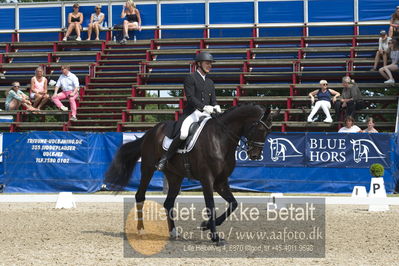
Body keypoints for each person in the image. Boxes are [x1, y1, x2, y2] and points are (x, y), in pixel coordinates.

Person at [155, 52, 221, 171]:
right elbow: (190, 98)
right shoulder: (190, 78)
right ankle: (165, 159)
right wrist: (204, 107)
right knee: (184, 133)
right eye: (207, 63)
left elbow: (213, 100)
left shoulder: (210, 82)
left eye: (211, 64)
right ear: (199, 64)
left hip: (207, 115)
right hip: (192, 113)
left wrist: (216, 106)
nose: (210, 65)